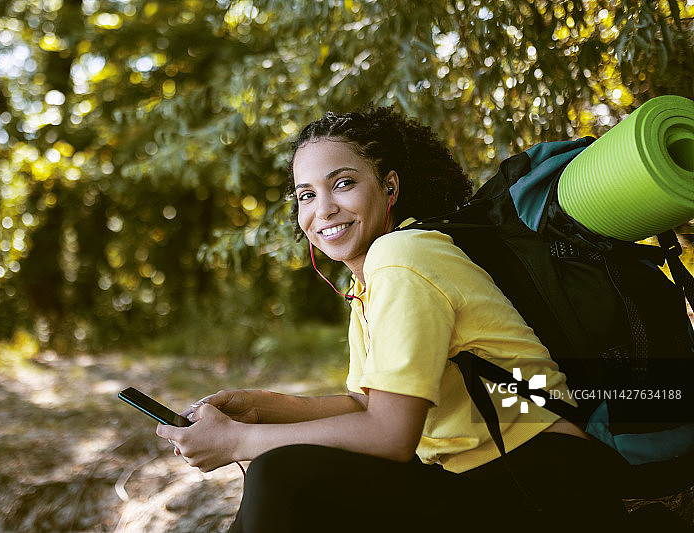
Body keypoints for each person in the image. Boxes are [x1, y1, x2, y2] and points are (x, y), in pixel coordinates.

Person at [156, 106, 633, 532]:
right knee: (289, 472)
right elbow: (365, 404)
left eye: (342, 183)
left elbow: (388, 435)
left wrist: (241, 441)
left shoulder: (403, 257)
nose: (323, 209)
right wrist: (258, 408)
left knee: (283, 474)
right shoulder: (371, 276)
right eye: (305, 194)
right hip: (487, 479)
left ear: (390, 186)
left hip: (547, 485)